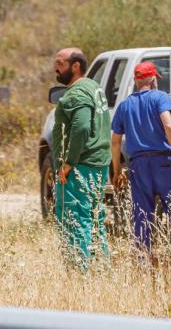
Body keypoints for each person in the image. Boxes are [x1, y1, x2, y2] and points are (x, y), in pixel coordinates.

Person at [110, 62, 171, 257]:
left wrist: (117, 170)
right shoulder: (160, 97)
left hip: (138, 165)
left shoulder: (124, 105)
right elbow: (170, 126)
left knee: (142, 214)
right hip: (164, 163)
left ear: (136, 80)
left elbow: (115, 141)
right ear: (153, 79)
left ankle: (143, 257)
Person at [51, 47, 112, 268]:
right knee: (94, 218)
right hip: (98, 164)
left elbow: (81, 126)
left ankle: (79, 271)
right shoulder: (94, 87)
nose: (55, 68)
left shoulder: (77, 93)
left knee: (74, 220)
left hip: (80, 167)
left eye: (60, 63)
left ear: (75, 66)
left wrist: (68, 162)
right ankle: (102, 268)